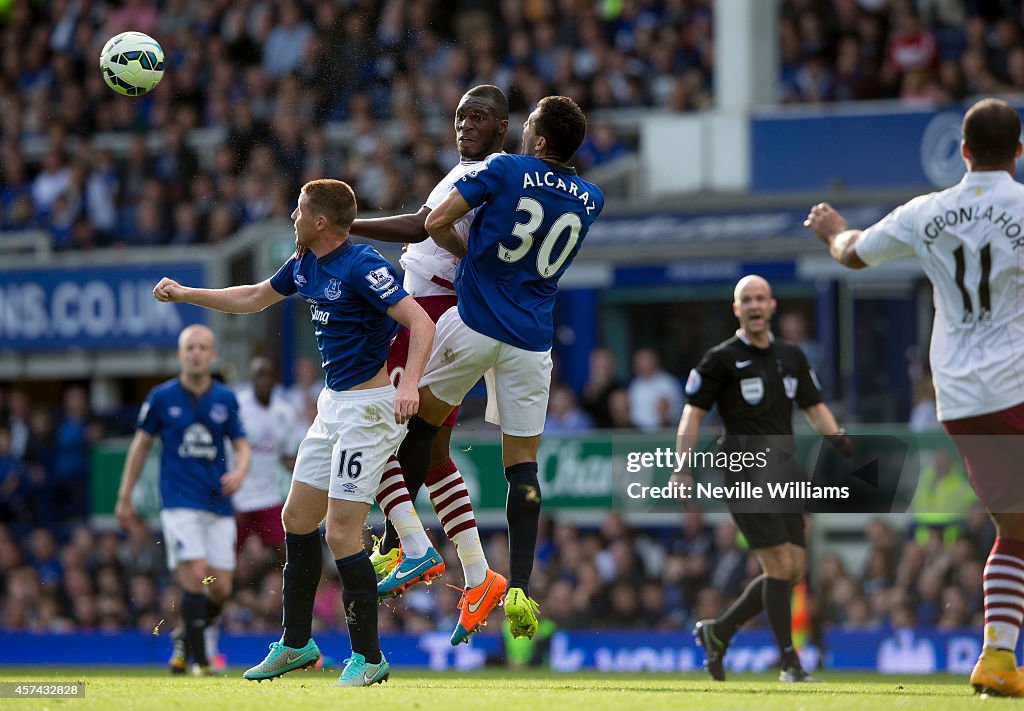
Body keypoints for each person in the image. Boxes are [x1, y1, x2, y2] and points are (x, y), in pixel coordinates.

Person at [150, 178, 437, 687]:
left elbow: (421, 322)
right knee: (296, 518)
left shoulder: (363, 265)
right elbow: (256, 297)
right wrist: (187, 294)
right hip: (333, 406)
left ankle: (369, 657)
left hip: (369, 411)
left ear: (321, 220)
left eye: (299, 210)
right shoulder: (305, 262)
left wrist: (409, 383)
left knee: (343, 531)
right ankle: (297, 644)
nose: (292, 217)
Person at [804, 97, 1024, 697]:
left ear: (963, 152)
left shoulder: (928, 212)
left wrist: (831, 230)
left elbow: (851, 253)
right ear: (1020, 151)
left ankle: (998, 660)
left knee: (1015, 530)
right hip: (1017, 386)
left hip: (960, 400)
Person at [377, 95, 604, 641]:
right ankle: (519, 586)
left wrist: (472, 258)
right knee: (521, 467)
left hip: (471, 318)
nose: (523, 131)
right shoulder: (591, 198)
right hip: (532, 340)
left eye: (528, 125)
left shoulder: (503, 169)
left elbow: (433, 222)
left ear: (538, 140)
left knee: (413, 423)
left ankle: (397, 547)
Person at [343, 85, 509, 646]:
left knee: (374, 424)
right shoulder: (471, 170)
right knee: (432, 448)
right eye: (460, 116)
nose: (464, 125)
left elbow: (420, 226)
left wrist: (348, 229)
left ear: (502, 127)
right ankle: (479, 573)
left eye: (478, 117)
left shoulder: (485, 171)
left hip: (432, 312)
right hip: (449, 314)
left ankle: (411, 547)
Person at [676, 275, 850, 683]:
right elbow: (693, 415)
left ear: (772, 305)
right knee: (779, 565)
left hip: (784, 469)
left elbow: (813, 404)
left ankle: (718, 632)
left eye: (760, 299)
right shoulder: (720, 359)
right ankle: (790, 661)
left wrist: (838, 438)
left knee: (792, 569)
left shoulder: (791, 355)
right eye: (746, 300)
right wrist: (681, 466)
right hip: (743, 467)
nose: (754, 306)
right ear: (736, 309)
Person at [115, 324, 251, 676]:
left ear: (213, 355)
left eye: (203, 347)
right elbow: (140, 446)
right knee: (195, 574)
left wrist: (239, 472)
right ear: (180, 354)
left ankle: (184, 638)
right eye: (190, 347)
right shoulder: (161, 397)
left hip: (218, 503)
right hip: (179, 502)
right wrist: (124, 496)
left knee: (220, 587)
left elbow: (241, 444)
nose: (196, 353)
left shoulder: (225, 397)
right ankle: (201, 662)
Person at [233, 355, 302, 563]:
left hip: (268, 497)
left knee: (285, 554)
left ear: (275, 379)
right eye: (258, 375)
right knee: (227, 559)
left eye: (267, 375)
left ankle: (284, 593)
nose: (263, 380)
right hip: (238, 498)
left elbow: (287, 458)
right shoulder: (237, 406)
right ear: (250, 378)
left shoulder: (285, 412)